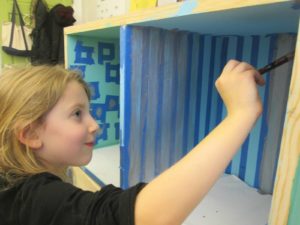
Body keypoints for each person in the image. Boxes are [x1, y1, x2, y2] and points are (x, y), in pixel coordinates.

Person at [0, 61, 265, 225]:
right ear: (31, 134)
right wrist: (240, 114)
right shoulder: (30, 198)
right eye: (77, 113)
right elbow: (138, 218)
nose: (95, 125)